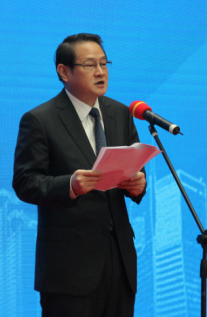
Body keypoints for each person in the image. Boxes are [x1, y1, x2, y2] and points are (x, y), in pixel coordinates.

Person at [12, 33, 147, 317]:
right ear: (64, 72)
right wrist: (70, 186)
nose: (100, 72)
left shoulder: (121, 114)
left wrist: (138, 185)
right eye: (90, 65)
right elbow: (25, 182)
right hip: (68, 269)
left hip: (119, 262)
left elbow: (135, 167)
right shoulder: (40, 120)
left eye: (104, 63)